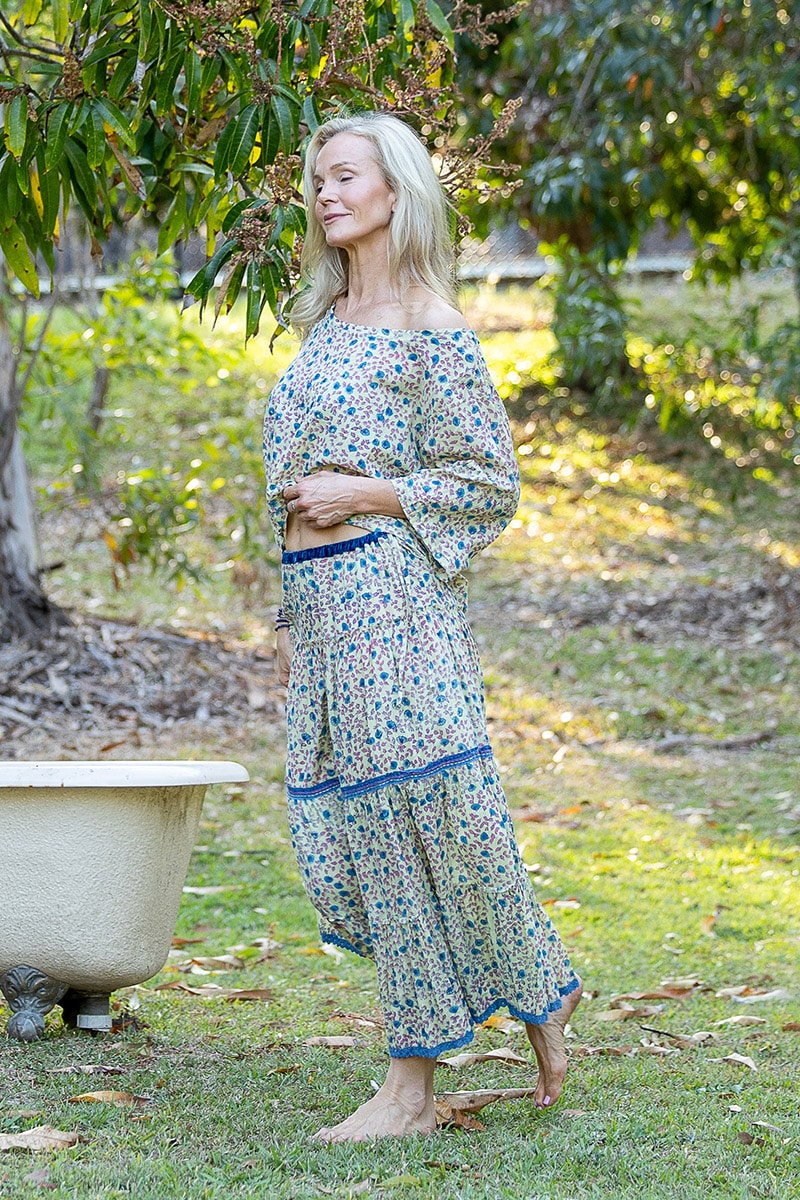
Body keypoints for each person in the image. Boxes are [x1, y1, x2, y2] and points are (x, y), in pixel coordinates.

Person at [262, 111, 581, 1144]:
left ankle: (408, 1090)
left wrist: (365, 492)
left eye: (345, 176)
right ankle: (540, 989)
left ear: (395, 192)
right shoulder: (326, 318)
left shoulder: (429, 324)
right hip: (320, 607)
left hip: (390, 601)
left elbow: (487, 481)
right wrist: (295, 585)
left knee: (411, 823)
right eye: (317, 180)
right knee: (374, 827)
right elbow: (297, 469)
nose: (325, 194)